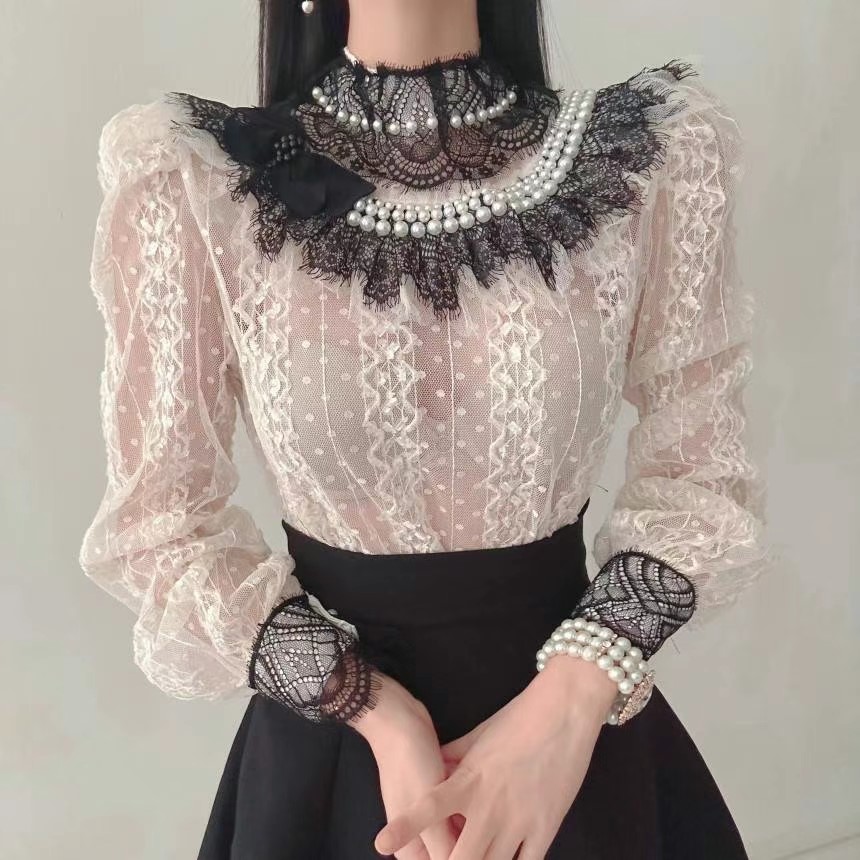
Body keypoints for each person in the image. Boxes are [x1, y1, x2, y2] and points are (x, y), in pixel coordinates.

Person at [78, 1, 775, 857]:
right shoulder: (192, 176)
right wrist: (375, 710)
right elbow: (160, 526)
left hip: (576, 747)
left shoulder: (655, 152)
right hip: (330, 767)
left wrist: (572, 699)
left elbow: (702, 480)